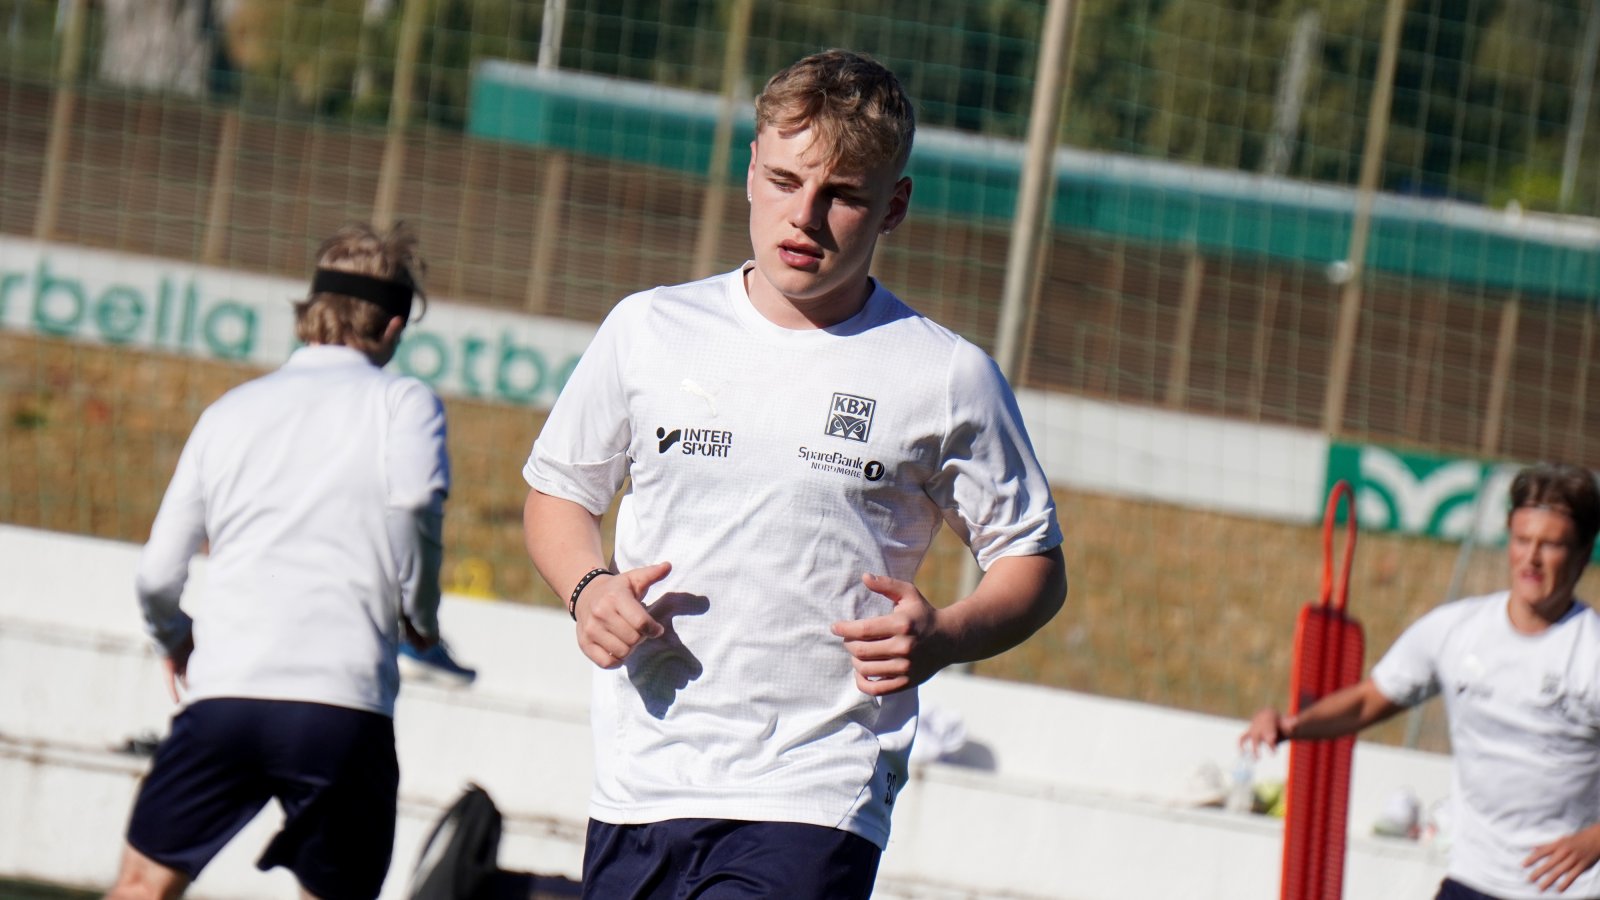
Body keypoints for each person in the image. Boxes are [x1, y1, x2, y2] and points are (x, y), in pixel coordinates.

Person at [521, 49, 1067, 899]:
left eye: (842, 195)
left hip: (817, 791)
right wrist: (588, 588)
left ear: (894, 206)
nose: (804, 216)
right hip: (643, 780)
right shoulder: (649, 329)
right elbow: (560, 491)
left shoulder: (944, 375)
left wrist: (946, 636)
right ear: (751, 171)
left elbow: (1033, 563)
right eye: (783, 181)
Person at [108, 222, 450, 900]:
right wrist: (420, 614)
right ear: (392, 325)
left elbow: (156, 576)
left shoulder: (230, 411)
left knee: (141, 886)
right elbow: (414, 504)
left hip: (224, 697)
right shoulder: (403, 402)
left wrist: (174, 637)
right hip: (341, 706)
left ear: (312, 309)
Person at [1241, 462, 1600, 900]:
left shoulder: (1590, 653)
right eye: (1522, 540)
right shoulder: (1455, 630)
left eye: (1551, 545)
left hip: (1566, 892)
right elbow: (1368, 700)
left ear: (1583, 553)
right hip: (1472, 881)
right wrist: (1291, 725)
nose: (1532, 559)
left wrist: (1594, 841)